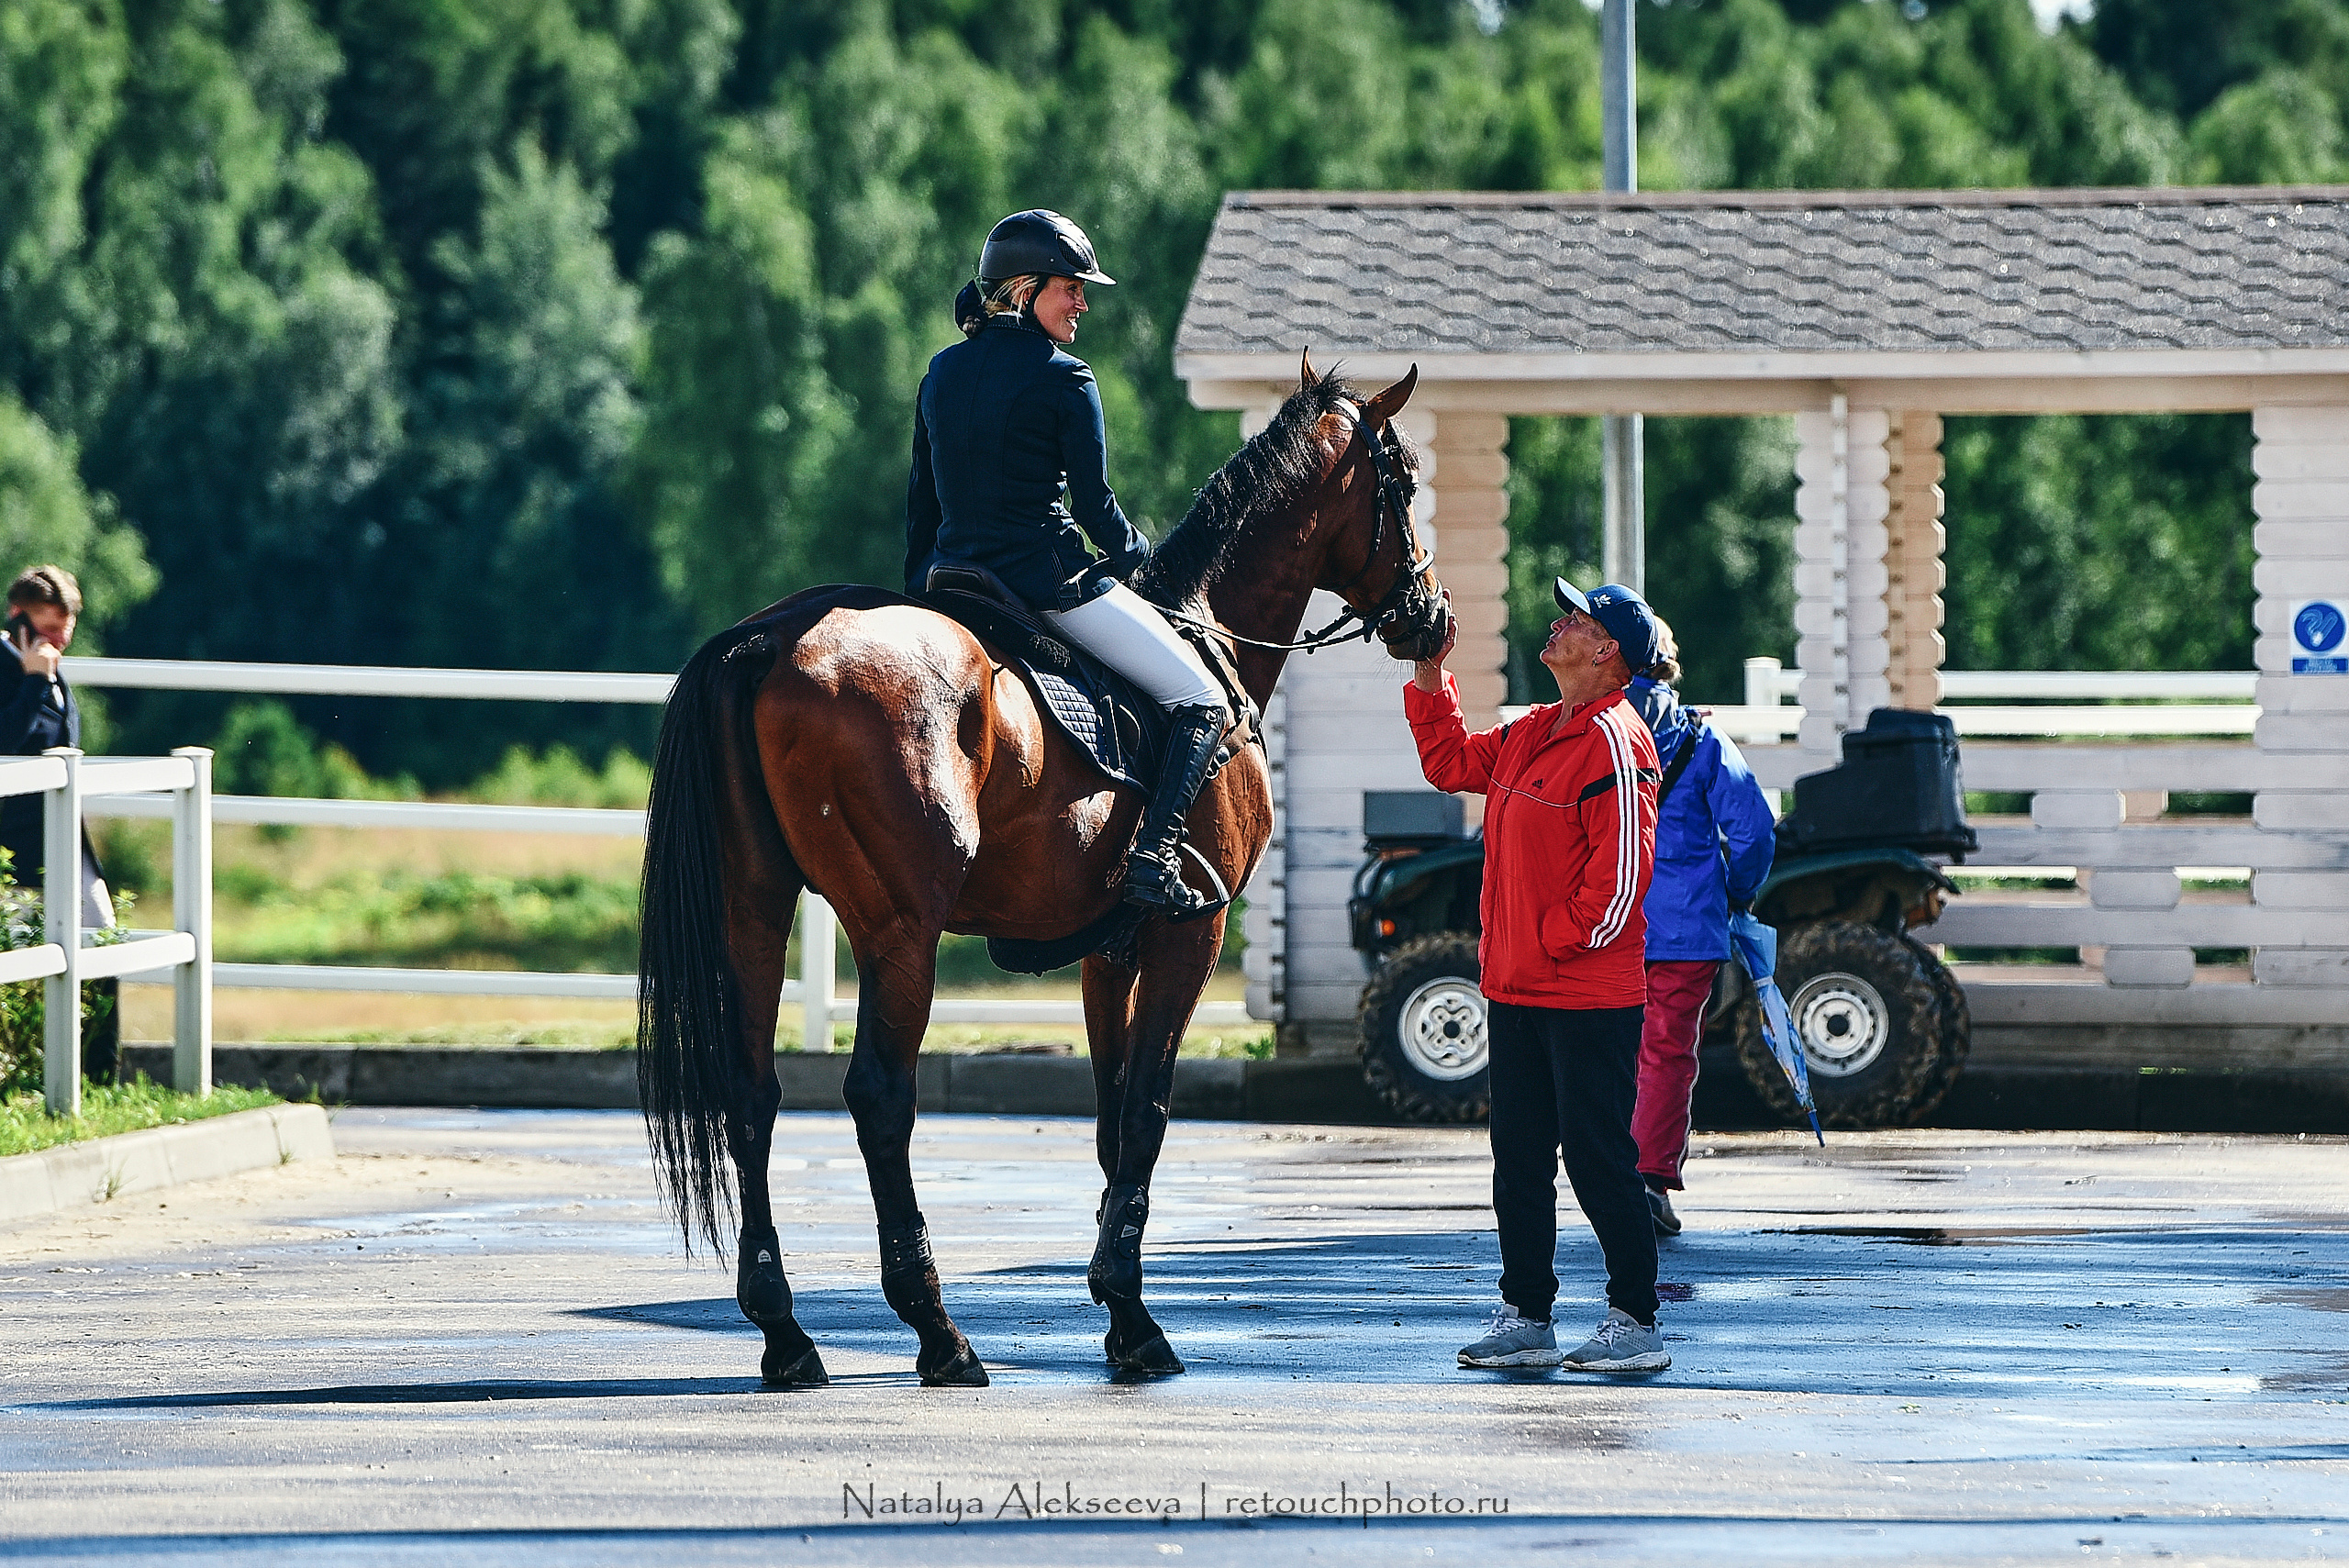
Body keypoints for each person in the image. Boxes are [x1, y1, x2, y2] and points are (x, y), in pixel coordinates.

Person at [904, 209, 1229, 918]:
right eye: (1071, 287)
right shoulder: (1067, 377)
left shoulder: (941, 373)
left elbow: (921, 513)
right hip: (1046, 585)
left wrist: (918, 600)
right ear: (1025, 289)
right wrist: (1146, 562)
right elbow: (1097, 510)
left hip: (952, 583)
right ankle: (1153, 858)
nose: (1083, 302)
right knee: (1203, 699)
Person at [1406, 578, 1669, 1374]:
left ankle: (1635, 1319)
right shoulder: (1531, 731)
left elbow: (1622, 879)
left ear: (1607, 651)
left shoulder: (1619, 742)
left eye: (1577, 618)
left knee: (1597, 1158)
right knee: (1517, 1157)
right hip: (1516, 987)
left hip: (1585, 994)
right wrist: (1428, 674)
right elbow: (1449, 762)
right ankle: (1527, 1314)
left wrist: (1550, 940)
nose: (1557, 623)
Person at [1625, 618, 1776, 1237]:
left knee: (1602, 1051)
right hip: (1688, 929)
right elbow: (1754, 831)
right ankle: (1649, 1180)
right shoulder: (1703, 737)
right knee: (1665, 1053)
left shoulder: (1588, 726)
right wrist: (1736, 891)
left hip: (1604, 924)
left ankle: (1601, 1170)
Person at [0, 565, 117, 1081]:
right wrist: (31, 680)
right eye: (47, 629)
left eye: (65, 631)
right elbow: (6, 741)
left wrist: (44, 673)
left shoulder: (53, 669)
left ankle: (98, 1076)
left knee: (103, 940)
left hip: (66, 838)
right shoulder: (15, 666)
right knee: (19, 958)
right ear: (17, 617)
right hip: (16, 841)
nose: (57, 641)